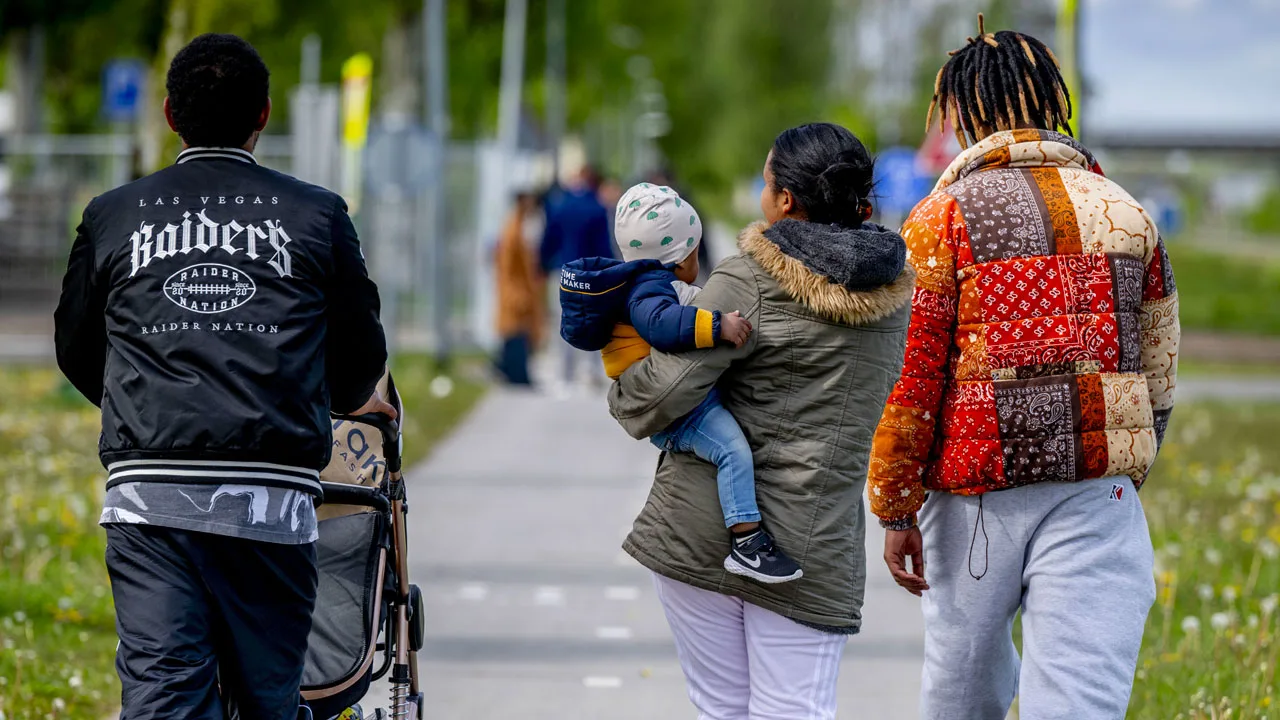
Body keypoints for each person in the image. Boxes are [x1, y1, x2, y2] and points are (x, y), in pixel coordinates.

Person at [54, 33, 393, 720]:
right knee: (270, 694)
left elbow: (75, 347)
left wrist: (143, 399)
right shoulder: (318, 215)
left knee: (163, 692)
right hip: (272, 497)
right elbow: (361, 359)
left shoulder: (112, 215)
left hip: (149, 492)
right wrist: (305, 396)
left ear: (171, 116)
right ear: (264, 114)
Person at [868, 17, 1178, 720]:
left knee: (962, 692)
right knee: (1078, 702)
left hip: (978, 499)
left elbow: (911, 379)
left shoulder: (939, 218)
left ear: (965, 114)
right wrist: (1127, 464)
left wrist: (894, 503)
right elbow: (1159, 367)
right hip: (1097, 492)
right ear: (1050, 104)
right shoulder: (1128, 213)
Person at [607, 123, 914, 718]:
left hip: (701, 531)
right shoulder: (896, 299)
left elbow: (658, 396)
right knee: (796, 709)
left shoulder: (748, 276)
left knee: (721, 709)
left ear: (786, 202)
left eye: (766, 183)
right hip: (813, 540)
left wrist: (623, 379)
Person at [561, 182, 798, 582]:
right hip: (681, 415)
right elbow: (661, 325)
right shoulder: (650, 288)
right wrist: (717, 325)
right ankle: (747, 543)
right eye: (694, 252)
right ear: (681, 255)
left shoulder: (647, 280)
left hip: (682, 403)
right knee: (732, 451)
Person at [540, 165, 613, 387]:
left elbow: (549, 239)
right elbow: (603, 246)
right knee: (592, 319)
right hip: (590, 272)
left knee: (563, 318)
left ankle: (565, 371)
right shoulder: (597, 208)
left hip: (563, 270)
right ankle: (590, 370)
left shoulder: (560, 205)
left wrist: (541, 264)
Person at [493, 191, 545, 386]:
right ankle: (515, 374)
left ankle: (513, 371)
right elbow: (507, 267)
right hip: (515, 291)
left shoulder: (517, 226)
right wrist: (515, 292)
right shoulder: (512, 230)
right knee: (515, 333)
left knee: (518, 334)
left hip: (519, 289)